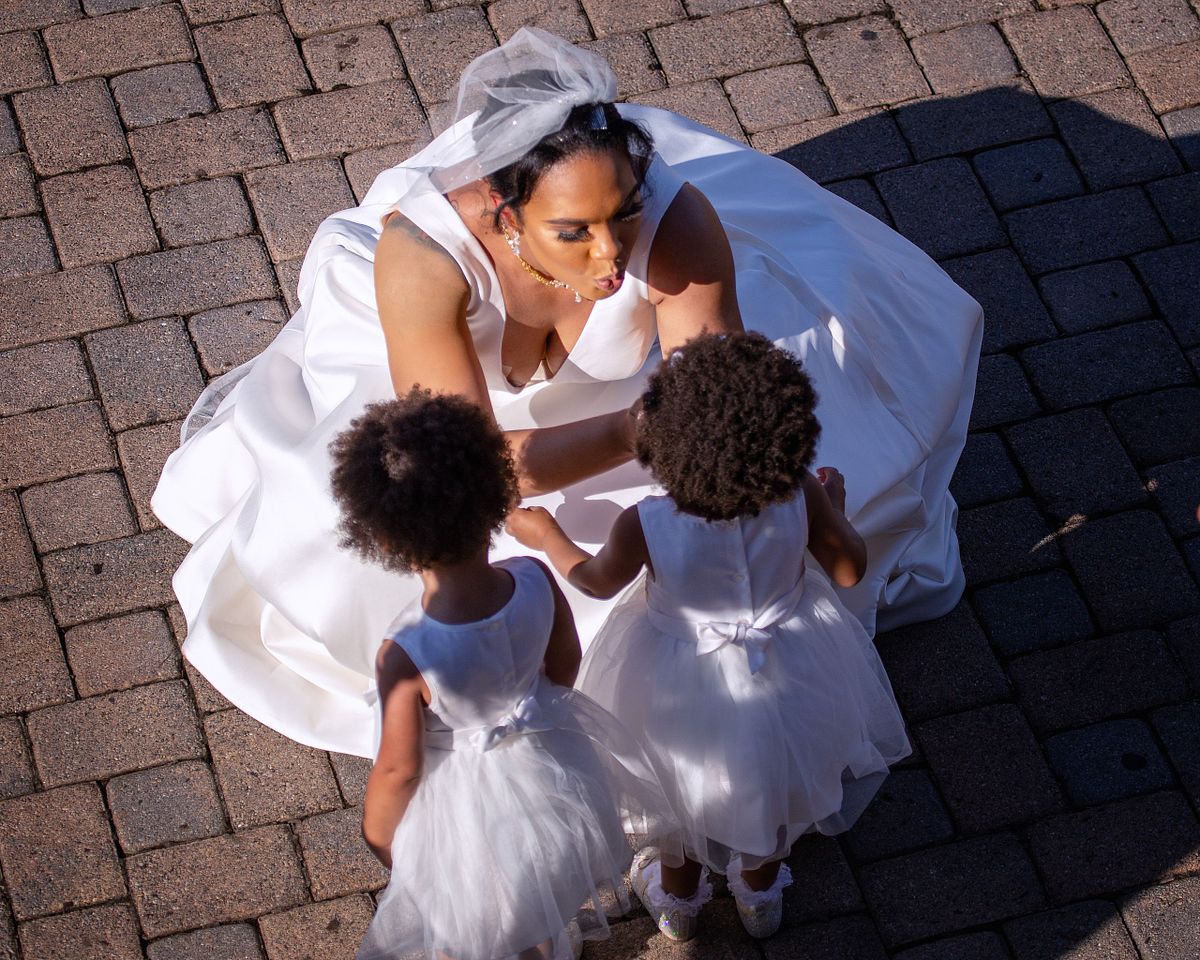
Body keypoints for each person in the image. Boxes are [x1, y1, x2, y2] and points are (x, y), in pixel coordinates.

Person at [152, 28, 982, 758]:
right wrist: (631, 433)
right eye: (573, 232)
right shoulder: (423, 259)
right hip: (469, 425)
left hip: (634, 416)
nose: (610, 255)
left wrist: (701, 459)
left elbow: (715, 398)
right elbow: (471, 472)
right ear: (504, 213)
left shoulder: (677, 226)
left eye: (623, 214)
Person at [507, 333, 911, 940]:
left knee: (681, 794)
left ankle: (678, 905)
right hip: (792, 663)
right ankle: (759, 897)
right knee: (776, 778)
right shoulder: (800, 493)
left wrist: (548, 538)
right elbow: (849, 570)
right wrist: (835, 505)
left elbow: (595, 581)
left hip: (679, 676)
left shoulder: (646, 523)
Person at [331, 388, 677, 960]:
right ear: (494, 499)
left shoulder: (408, 651)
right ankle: (549, 937)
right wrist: (535, 711)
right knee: (545, 874)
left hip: (469, 806)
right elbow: (564, 663)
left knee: (478, 906)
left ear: (385, 538)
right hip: (553, 768)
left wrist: (382, 836)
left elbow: (399, 767)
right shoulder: (535, 577)